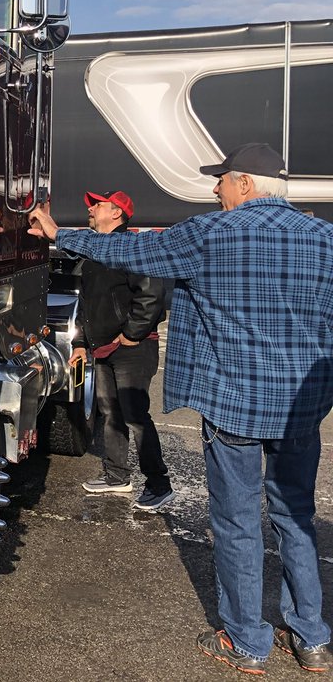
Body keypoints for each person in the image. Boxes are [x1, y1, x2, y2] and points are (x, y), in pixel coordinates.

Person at [27, 143, 333, 675]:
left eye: (221, 181)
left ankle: (247, 644)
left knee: (238, 525)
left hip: (233, 403)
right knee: (295, 518)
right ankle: (310, 640)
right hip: (300, 411)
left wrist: (60, 235)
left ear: (245, 184)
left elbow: (132, 253)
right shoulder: (325, 239)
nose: (215, 189)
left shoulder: (212, 234)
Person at [69, 190, 172, 510]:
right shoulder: (93, 254)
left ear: (117, 213)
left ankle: (159, 484)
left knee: (135, 415)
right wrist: (80, 343)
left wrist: (132, 334)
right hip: (102, 349)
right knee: (111, 413)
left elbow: (152, 294)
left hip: (132, 349)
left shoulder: (135, 248)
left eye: (97, 205)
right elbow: (87, 305)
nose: (90, 209)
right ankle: (117, 477)